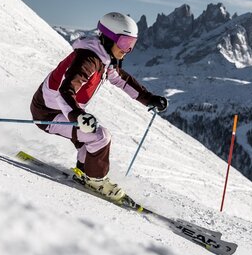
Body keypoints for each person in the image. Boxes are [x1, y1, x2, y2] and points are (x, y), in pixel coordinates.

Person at [30, 12, 168, 201]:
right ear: (109, 38)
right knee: (100, 137)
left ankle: (84, 173)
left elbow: (121, 80)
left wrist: (149, 98)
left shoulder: (104, 58)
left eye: (131, 45)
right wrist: (78, 116)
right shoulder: (88, 59)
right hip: (48, 113)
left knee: (90, 143)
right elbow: (65, 91)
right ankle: (96, 180)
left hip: (65, 111)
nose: (126, 50)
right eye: (124, 43)